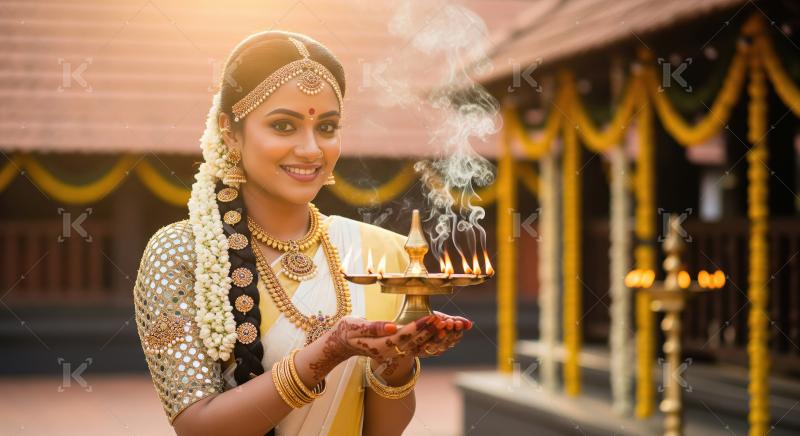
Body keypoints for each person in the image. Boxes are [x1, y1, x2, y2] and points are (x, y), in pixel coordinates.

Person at [132, 30, 472, 436]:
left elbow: (383, 432)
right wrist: (329, 351)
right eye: (283, 126)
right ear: (229, 130)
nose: (312, 149)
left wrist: (397, 359)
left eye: (327, 127)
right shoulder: (180, 255)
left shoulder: (383, 255)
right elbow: (199, 427)